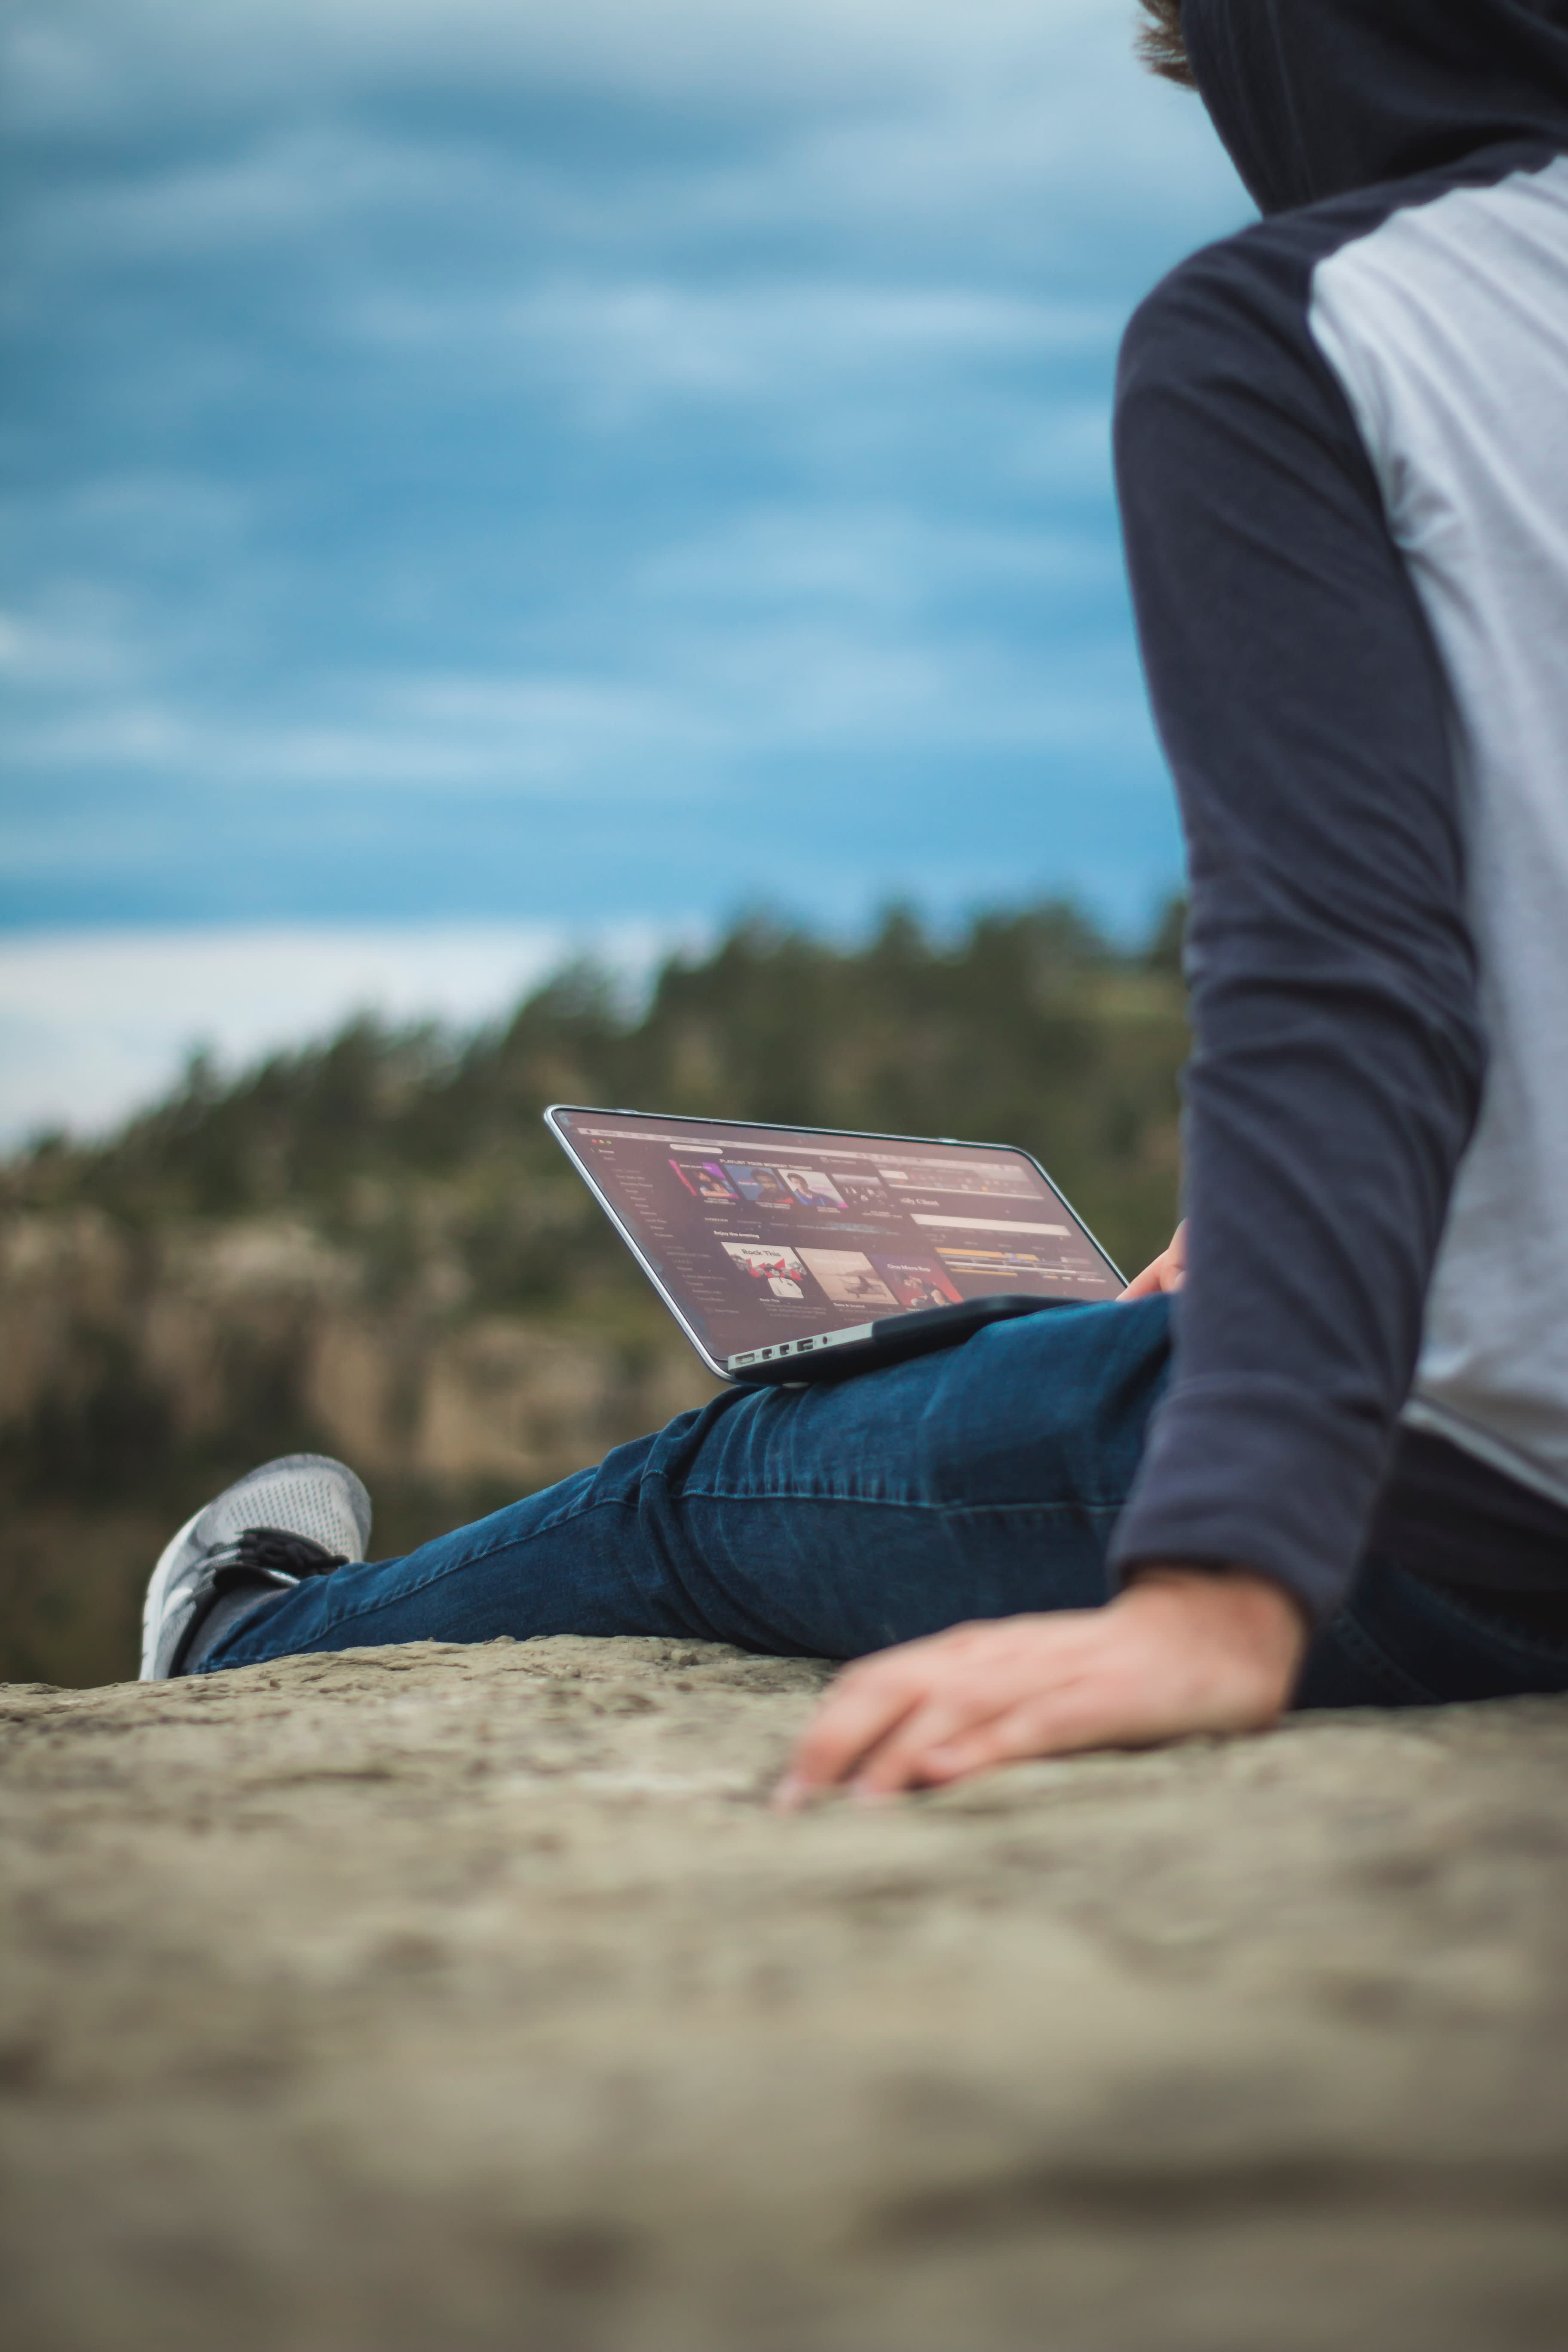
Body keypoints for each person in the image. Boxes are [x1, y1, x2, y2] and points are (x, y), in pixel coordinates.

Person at [141, 0, 1568, 1803]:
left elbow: (1347, 963)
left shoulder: (1303, 329)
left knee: (728, 1474)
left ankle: (239, 1646)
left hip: (1473, 1521)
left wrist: (1225, 1584)